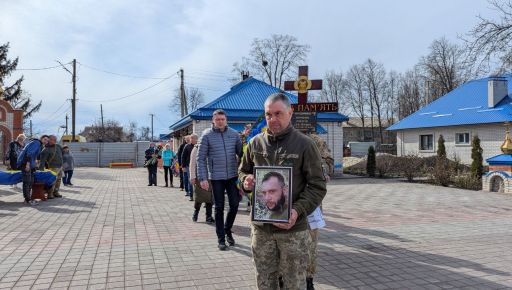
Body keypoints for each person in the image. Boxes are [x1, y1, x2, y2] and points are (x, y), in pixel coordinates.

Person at [239, 93, 327, 289]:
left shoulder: (305, 145)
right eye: (268, 115)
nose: (273, 119)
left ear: (290, 112)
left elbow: (318, 186)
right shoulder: (255, 143)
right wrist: (246, 181)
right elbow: (243, 171)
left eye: (278, 113)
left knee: (294, 283)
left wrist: (296, 210)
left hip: (293, 231)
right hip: (262, 229)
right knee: (264, 281)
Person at [197, 109, 243, 250]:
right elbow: (200, 158)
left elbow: (242, 155)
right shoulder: (206, 135)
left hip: (232, 176)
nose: (220, 122)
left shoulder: (234, 135)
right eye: (217, 119)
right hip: (216, 177)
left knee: (234, 205)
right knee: (219, 207)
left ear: (226, 120)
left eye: (222, 119)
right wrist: (202, 178)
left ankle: (227, 229)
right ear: (213, 120)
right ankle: (221, 238)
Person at [306, 133, 334, 290]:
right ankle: (282, 275)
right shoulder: (276, 138)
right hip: (284, 202)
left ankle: (308, 278)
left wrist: (322, 169)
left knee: (310, 242)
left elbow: (329, 162)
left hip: (310, 201)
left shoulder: (315, 140)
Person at [17, 135, 49, 205]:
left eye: (47, 140)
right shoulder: (36, 143)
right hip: (25, 163)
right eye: (45, 139)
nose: (46, 141)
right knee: (27, 182)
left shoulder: (39, 144)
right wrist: (27, 164)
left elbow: (35, 156)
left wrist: (35, 165)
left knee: (30, 181)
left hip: (30, 164)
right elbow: (29, 154)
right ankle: (28, 200)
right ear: (41, 138)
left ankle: (27, 199)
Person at [189, 138, 214, 224]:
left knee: (210, 198)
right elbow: (192, 164)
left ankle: (209, 216)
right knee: (199, 196)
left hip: (210, 176)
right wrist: (192, 176)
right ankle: (196, 213)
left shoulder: (211, 147)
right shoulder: (196, 148)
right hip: (199, 176)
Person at [181, 134, 197, 201]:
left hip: (198, 166)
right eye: (191, 138)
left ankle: (199, 195)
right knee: (191, 180)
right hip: (188, 166)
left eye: (194, 138)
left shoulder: (199, 146)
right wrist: (183, 166)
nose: (192, 140)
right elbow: (183, 156)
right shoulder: (187, 146)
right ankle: (191, 195)